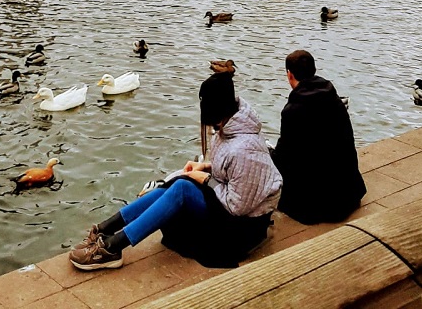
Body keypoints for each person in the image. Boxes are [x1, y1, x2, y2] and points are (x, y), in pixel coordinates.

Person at [69, 72, 281, 271]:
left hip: (243, 228)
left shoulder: (245, 149)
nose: (211, 127)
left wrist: (205, 178)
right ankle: (106, 229)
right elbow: (232, 172)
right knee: (174, 184)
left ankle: (113, 247)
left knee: (182, 188)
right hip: (228, 206)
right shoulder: (230, 127)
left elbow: (237, 206)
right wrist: (205, 166)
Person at [271, 50, 366, 225]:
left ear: (289, 75)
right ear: (314, 70)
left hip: (317, 207)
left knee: (275, 160)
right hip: (349, 195)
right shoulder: (333, 98)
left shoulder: (293, 111)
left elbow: (284, 157)